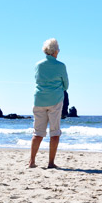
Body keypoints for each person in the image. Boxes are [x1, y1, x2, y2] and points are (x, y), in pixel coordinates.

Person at [28, 38, 69, 169]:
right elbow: (66, 84)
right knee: (55, 132)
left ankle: (32, 162)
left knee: (37, 132)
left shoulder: (38, 65)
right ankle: (51, 163)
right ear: (55, 51)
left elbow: (37, 79)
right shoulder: (61, 66)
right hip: (55, 100)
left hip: (39, 99)